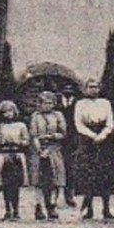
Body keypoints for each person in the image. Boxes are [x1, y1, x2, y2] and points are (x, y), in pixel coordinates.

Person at [73, 77, 114, 221]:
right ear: (85, 89)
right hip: (87, 138)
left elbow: (110, 122)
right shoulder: (80, 104)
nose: (93, 90)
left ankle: (106, 208)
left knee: (104, 172)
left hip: (104, 138)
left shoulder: (105, 103)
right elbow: (78, 123)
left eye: (96, 87)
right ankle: (89, 208)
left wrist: (103, 135)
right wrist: (92, 136)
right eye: (90, 87)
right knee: (88, 173)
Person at [29, 90, 68, 220]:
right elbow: (33, 135)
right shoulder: (35, 116)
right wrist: (39, 150)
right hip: (39, 150)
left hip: (54, 149)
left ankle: (51, 206)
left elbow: (63, 133)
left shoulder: (58, 115)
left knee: (56, 178)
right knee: (38, 181)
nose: (47, 105)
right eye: (44, 103)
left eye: (50, 103)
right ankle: (38, 206)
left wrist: (53, 136)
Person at [0, 100, 32, 221]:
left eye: (10, 111)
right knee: (5, 183)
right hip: (4, 155)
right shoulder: (0, 126)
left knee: (15, 184)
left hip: (17, 155)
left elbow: (27, 141)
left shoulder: (21, 125)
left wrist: (19, 142)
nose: (8, 114)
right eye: (5, 112)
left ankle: (16, 210)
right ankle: (7, 209)